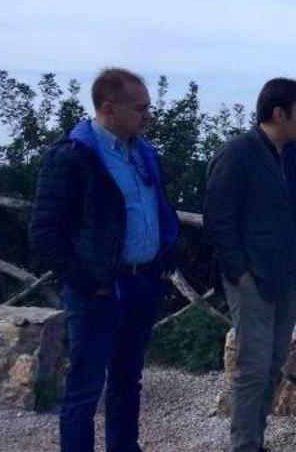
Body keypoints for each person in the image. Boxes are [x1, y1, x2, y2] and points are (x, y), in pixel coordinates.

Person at [29, 67, 180, 452]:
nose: (148, 114)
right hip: (98, 288)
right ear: (110, 108)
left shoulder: (144, 153)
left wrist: (161, 263)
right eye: (141, 107)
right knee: (85, 386)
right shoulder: (72, 156)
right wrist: (88, 281)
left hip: (143, 281)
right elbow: (46, 233)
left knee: (128, 379)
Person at [204, 77, 296, 452]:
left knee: (272, 367)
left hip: (288, 279)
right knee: (252, 368)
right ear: (278, 113)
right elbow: (219, 219)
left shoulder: (295, 159)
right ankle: (244, 446)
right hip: (251, 278)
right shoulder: (236, 154)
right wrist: (239, 272)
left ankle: (256, 440)